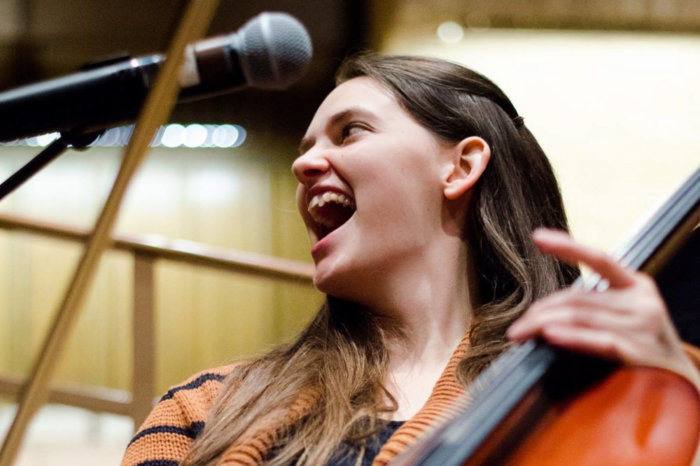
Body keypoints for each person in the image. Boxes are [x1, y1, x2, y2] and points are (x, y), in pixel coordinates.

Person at [121, 54, 700, 466]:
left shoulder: (593, 391)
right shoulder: (203, 408)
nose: (304, 166)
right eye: (304, 150)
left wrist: (671, 391)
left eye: (350, 133)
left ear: (460, 167)